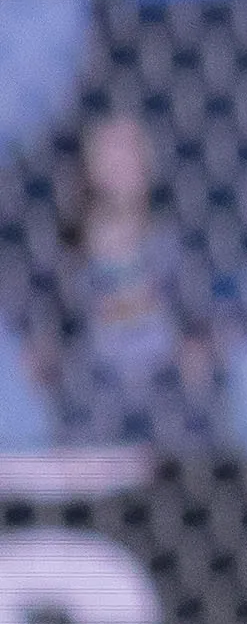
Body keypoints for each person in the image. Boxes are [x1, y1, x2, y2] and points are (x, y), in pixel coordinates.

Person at [16, 111, 224, 448]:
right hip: (92, 430)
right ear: (88, 164)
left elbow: (211, 320)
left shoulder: (180, 252)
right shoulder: (60, 265)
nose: (120, 164)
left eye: (130, 150)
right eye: (109, 151)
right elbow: (39, 348)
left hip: (172, 430)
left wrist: (204, 344)